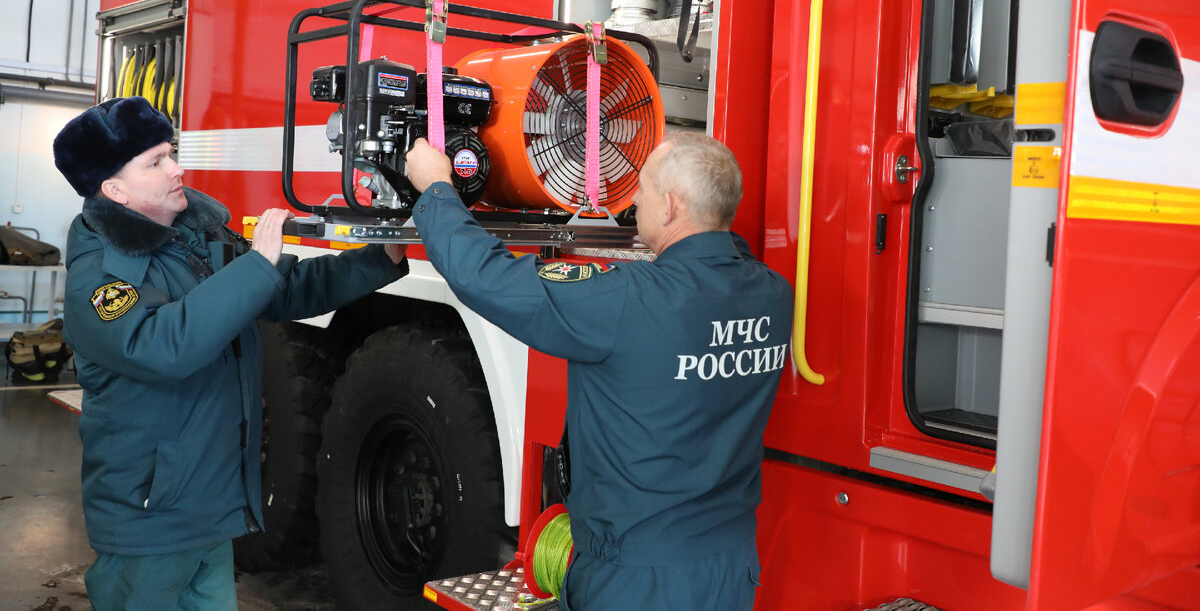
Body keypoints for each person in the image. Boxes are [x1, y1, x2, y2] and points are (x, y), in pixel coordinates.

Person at [405, 131, 793, 611]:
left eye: (644, 192)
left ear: (670, 207)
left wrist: (436, 188)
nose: (634, 202)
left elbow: (485, 278)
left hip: (639, 581)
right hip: (731, 569)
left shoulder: (628, 298)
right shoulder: (774, 296)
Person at [52, 96, 408, 611]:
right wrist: (255, 266)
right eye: (155, 162)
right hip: (151, 520)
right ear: (115, 189)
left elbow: (283, 290)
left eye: (170, 152)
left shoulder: (196, 238)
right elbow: (165, 346)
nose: (177, 168)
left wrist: (382, 258)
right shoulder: (101, 279)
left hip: (211, 511)